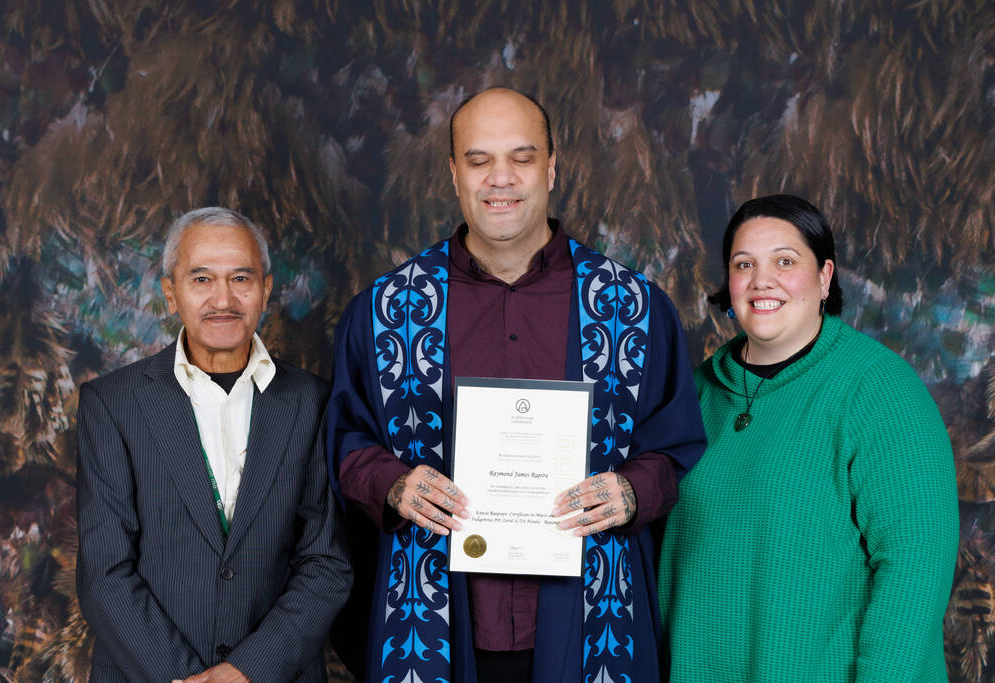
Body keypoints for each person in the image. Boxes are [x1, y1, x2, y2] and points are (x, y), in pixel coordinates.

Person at [326, 87, 706, 682]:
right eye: (479, 160)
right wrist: (395, 486)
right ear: (454, 173)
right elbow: (346, 438)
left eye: (522, 157)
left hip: (590, 616)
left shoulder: (631, 306)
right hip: (433, 619)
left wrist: (630, 491)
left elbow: (674, 443)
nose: (500, 178)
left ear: (552, 167)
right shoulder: (386, 309)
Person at [658, 194, 959, 681]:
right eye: (744, 264)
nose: (762, 281)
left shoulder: (880, 391)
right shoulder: (694, 395)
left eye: (784, 261)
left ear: (823, 277)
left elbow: (915, 571)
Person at [76, 207, 352, 683]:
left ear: (266, 289)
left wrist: (246, 671)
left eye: (240, 278)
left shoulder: (315, 403)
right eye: (201, 278)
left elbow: (325, 564)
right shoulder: (112, 404)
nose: (223, 299)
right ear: (170, 293)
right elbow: (105, 573)